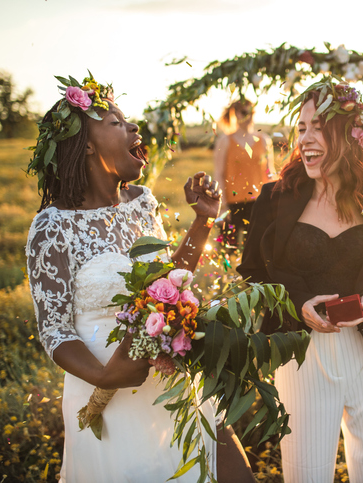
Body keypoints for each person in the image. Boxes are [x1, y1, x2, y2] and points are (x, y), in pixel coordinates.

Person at [25, 73, 253, 482]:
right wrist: (103, 377)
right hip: (107, 393)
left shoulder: (142, 201)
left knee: (229, 470)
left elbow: (167, 285)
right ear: (87, 145)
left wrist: (203, 221)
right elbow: (54, 331)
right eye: (115, 122)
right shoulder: (52, 227)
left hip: (168, 375)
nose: (132, 127)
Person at [237, 79, 363, 482]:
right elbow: (253, 274)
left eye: (319, 127)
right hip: (302, 359)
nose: (306, 139)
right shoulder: (273, 200)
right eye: (301, 128)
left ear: (351, 136)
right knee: (307, 474)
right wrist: (297, 303)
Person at [213, 99, 275, 248]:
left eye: (250, 112)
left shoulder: (264, 140)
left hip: (257, 203)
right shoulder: (224, 141)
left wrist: (272, 203)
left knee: (255, 251)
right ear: (235, 114)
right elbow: (219, 174)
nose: (247, 117)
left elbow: (269, 173)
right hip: (231, 204)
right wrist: (222, 207)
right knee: (228, 251)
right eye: (243, 112)